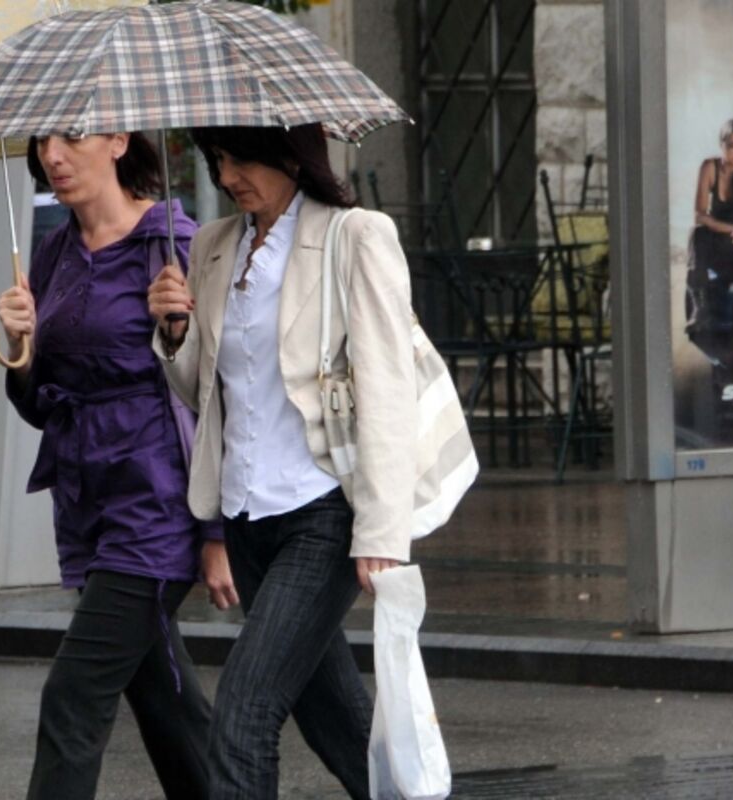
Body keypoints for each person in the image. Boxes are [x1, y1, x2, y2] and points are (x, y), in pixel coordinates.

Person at [148, 123, 415, 799]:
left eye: (242, 158)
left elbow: (388, 388)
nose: (227, 176)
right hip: (245, 517)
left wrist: (382, 532)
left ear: (291, 155)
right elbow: (206, 391)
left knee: (244, 712)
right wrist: (175, 332)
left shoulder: (355, 236)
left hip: (321, 513)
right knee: (338, 725)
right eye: (217, 159)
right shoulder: (212, 246)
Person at [0, 131, 232, 800]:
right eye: (44, 141)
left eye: (73, 137)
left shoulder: (175, 245)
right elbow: (39, 405)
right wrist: (19, 347)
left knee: (73, 696)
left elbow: (220, 392)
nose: (53, 156)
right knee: (163, 700)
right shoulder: (55, 253)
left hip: (156, 502)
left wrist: (216, 533)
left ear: (119, 140)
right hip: (84, 503)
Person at [686, 119, 733, 359]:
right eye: (732, 146)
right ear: (721, 145)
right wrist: (732, 229)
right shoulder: (710, 167)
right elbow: (699, 215)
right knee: (696, 233)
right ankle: (700, 308)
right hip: (719, 239)